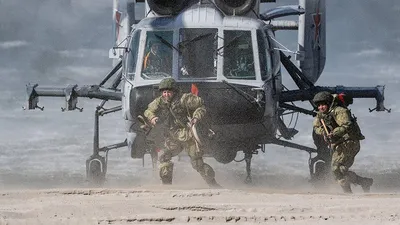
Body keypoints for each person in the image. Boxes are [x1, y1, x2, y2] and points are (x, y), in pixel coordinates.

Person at [143, 77, 221, 187]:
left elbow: (201, 106)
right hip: (172, 136)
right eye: (164, 92)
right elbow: (148, 110)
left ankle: (213, 185)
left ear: (174, 92)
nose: (166, 95)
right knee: (164, 158)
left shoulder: (184, 99)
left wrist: (196, 118)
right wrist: (152, 118)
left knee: (197, 163)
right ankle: (167, 186)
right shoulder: (160, 101)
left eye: (168, 92)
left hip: (188, 136)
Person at [312, 91, 373, 193]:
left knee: (337, 168)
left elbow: (346, 125)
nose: (321, 108)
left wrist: (333, 133)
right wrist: (323, 131)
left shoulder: (340, 111)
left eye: (323, 105)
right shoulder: (321, 115)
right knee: (339, 170)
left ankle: (348, 192)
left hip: (349, 142)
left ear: (328, 103)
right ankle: (363, 182)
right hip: (339, 143)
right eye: (319, 105)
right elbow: (316, 127)